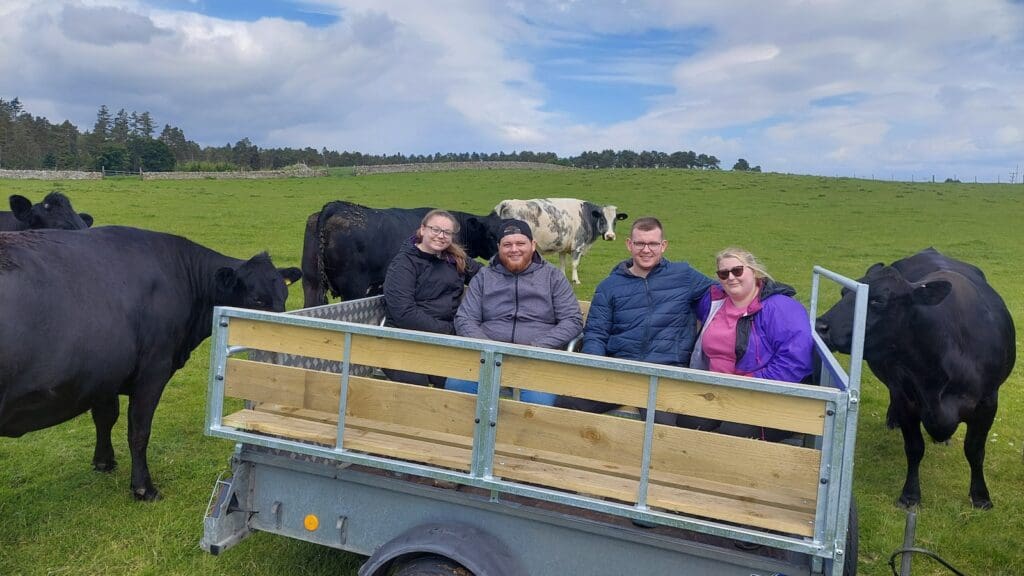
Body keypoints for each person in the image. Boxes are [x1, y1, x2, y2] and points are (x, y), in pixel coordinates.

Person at [555, 217, 716, 423]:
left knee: (661, 425)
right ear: (629, 245)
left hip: (666, 373)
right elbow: (596, 333)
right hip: (622, 371)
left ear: (663, 246)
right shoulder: (610, 286)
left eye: (653, 244)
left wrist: (766, 291)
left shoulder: (684, 276)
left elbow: (727, 290)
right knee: (566, 405)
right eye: (640, 243)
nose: (646, 250)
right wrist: (595, 370)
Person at [447, 219, 583, 405]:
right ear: (499, 248)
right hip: (487, 357)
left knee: (537, 403)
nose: (514, 249)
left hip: (536, 358)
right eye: (507, 244)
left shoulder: (552, 277)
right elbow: (465, 318)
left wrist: (537, 347)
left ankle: (523, 435)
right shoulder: (485, 276)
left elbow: (572, 319)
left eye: (521, 243)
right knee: (456, 388)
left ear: (533, 245)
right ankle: (467, 435)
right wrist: (488, 348)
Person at [685, 247, 815, 440]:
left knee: (732, 434)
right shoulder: (713, 303)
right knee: (686, 422)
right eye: (723, 273)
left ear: (753, 271)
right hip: (718, 391)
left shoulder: (781, 308)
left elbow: (796, 359)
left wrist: (752, 383)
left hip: (765, 396)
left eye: (737, 270)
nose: (731, 277)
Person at [382, 209, 481, 386]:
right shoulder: (404, 264)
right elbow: (404, 313)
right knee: (417, 384)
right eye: (435, 230)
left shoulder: (455, 258)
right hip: (403, 339)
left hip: (442, 342)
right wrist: (450, 330)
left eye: (447, 232)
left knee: (461, 380)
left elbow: (485, 276)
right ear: (422, 229)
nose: (441, 236)